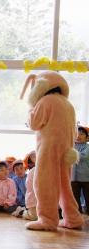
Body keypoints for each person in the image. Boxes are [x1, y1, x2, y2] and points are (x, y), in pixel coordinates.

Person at [20, 70, 84, 230]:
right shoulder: (68, 104)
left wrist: (31, 108)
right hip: (67, 149)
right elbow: (74, 131)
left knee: (44, 183)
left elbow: (34, 123)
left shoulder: (46, 101)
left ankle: (47, 219)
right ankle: (73, 218)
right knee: (64, 185)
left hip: (50, 148)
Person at [71, 126, 89, 215]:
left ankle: (87, 210)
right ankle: (78, 212)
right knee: (75, 197)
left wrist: (72, 154)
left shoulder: (87, 147)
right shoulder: (72, 146)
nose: (78, 136)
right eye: (77, 134)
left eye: (81, 134)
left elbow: (83, 156)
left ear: (87, 137)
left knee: (87, 196)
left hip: (86, 177)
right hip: (73, 177)